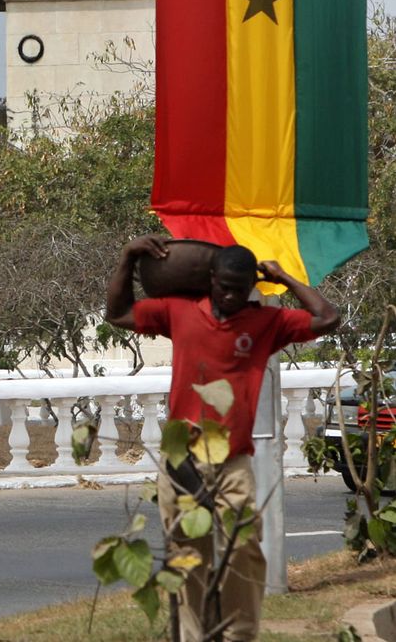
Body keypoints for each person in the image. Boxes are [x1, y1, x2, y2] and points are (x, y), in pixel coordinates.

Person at [106, 237, 340, 642]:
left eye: (240, 287)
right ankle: (194, 636)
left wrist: (282, 277)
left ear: (253, 284)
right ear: (210, 280)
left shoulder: (267, 322)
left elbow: (327, 318)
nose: (231, 295)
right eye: (224, 286)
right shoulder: (178, 312)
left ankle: (238, 635)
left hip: (233, 462)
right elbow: (118, 313)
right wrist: (127, 256)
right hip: (183, 460)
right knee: (188, 557)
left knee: (243, 552)